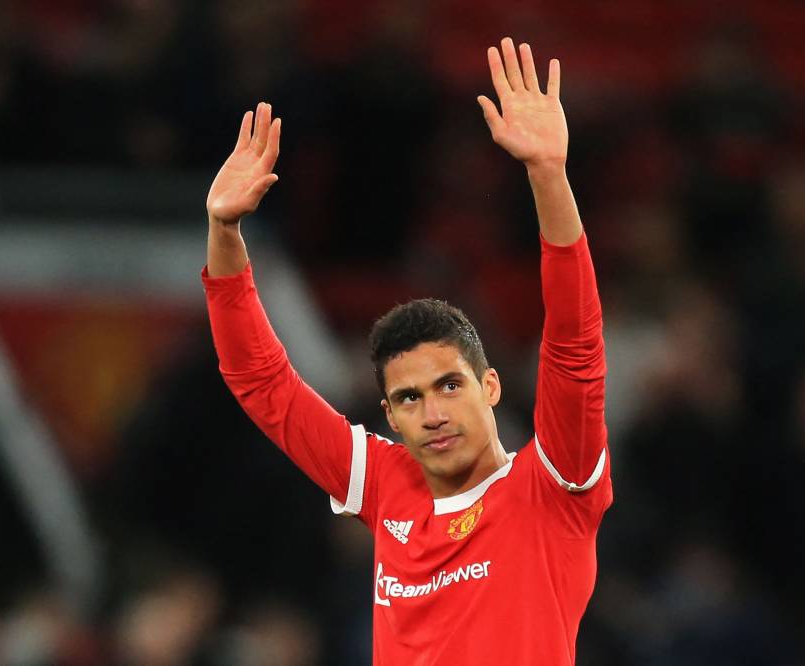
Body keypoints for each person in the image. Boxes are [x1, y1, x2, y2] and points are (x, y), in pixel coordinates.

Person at [202, 37, 612, 664]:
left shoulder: (554, 484)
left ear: (491, 387)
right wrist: (225, 233)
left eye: (450, 384)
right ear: (390, 416)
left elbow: (575, 345)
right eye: (409, 398)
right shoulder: (384, 484)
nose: (434, 412)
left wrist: (548, 176)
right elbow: (261, 382)